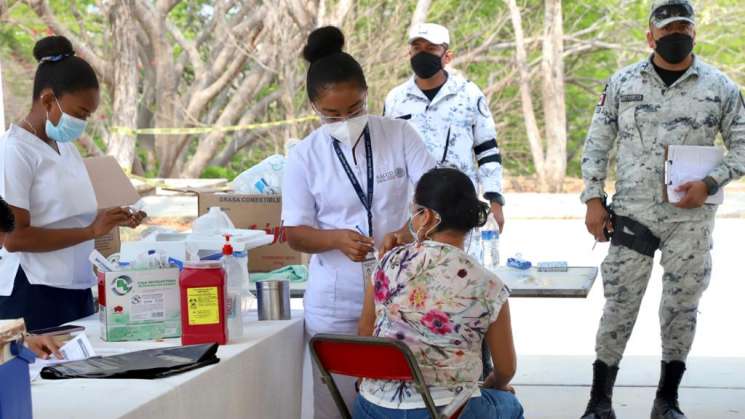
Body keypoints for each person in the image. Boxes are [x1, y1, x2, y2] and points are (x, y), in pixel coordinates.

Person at [579, 2, 745, 418]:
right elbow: (597, 142)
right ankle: (600, 402)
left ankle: (666, 400)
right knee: (619, 303)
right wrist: (593, 199)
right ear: (650, 35)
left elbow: (743, 146)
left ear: (695, 32)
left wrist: (710, 182)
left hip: (689, 219)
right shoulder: (622, 83)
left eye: (684, 27)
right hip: (632, 214)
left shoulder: (720, 87)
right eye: (668, 27)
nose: (677, 34)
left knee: (681, 306)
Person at [282, 27, 436, 418]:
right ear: (314, 107)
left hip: (402, 291)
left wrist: (408, 230)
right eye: (332, 114)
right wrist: (334, 239)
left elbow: (435, 193)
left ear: (367, 95)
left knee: (402, 398)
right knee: (338, 401)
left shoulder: (399, 134)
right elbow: (296, 232)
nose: (345, 120)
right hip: (336, 298)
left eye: (354, 109)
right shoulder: (304, 155)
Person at [0, 36, 146, 331]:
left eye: (88, 115)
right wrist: (91, 231)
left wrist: (113, 217)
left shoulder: (64, 146)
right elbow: (13, 238)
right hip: (33, 290)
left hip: (75, 286)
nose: (83, 123)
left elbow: (66, 214)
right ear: (47, 99)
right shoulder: (15, 151)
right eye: (80, 113)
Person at [355, 168, 523, 419]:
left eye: (414, 211)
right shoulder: (489, 286)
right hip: (449, 412)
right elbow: (506, 369)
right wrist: (494, 386)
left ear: (427, 217)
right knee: (509, 405)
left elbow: (365, 332)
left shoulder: (388, 262)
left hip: (373, 409)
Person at [384, 22, 506, 259]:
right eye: (417, 47)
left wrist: (495, 200)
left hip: (460, 204)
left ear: (447, 56)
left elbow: (487, 149)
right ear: (409, 53)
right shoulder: (396, 99)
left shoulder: (469, 94)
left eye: (431, 48)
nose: (422, 54)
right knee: (414, 281)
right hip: (413, 210)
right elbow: (386, 155)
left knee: (463, 276)